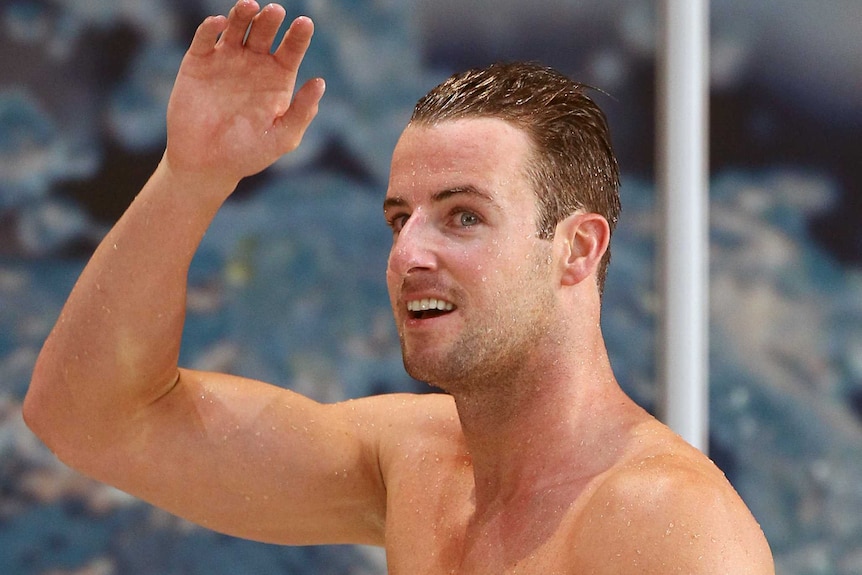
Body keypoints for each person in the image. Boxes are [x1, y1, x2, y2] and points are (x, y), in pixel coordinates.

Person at [24, 1, 775, 573]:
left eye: (463, 216)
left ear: (576, 249)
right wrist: (190, 178)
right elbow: (87, 417)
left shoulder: (665, 526)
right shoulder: (412, 463)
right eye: (398, 219)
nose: (408, 251)